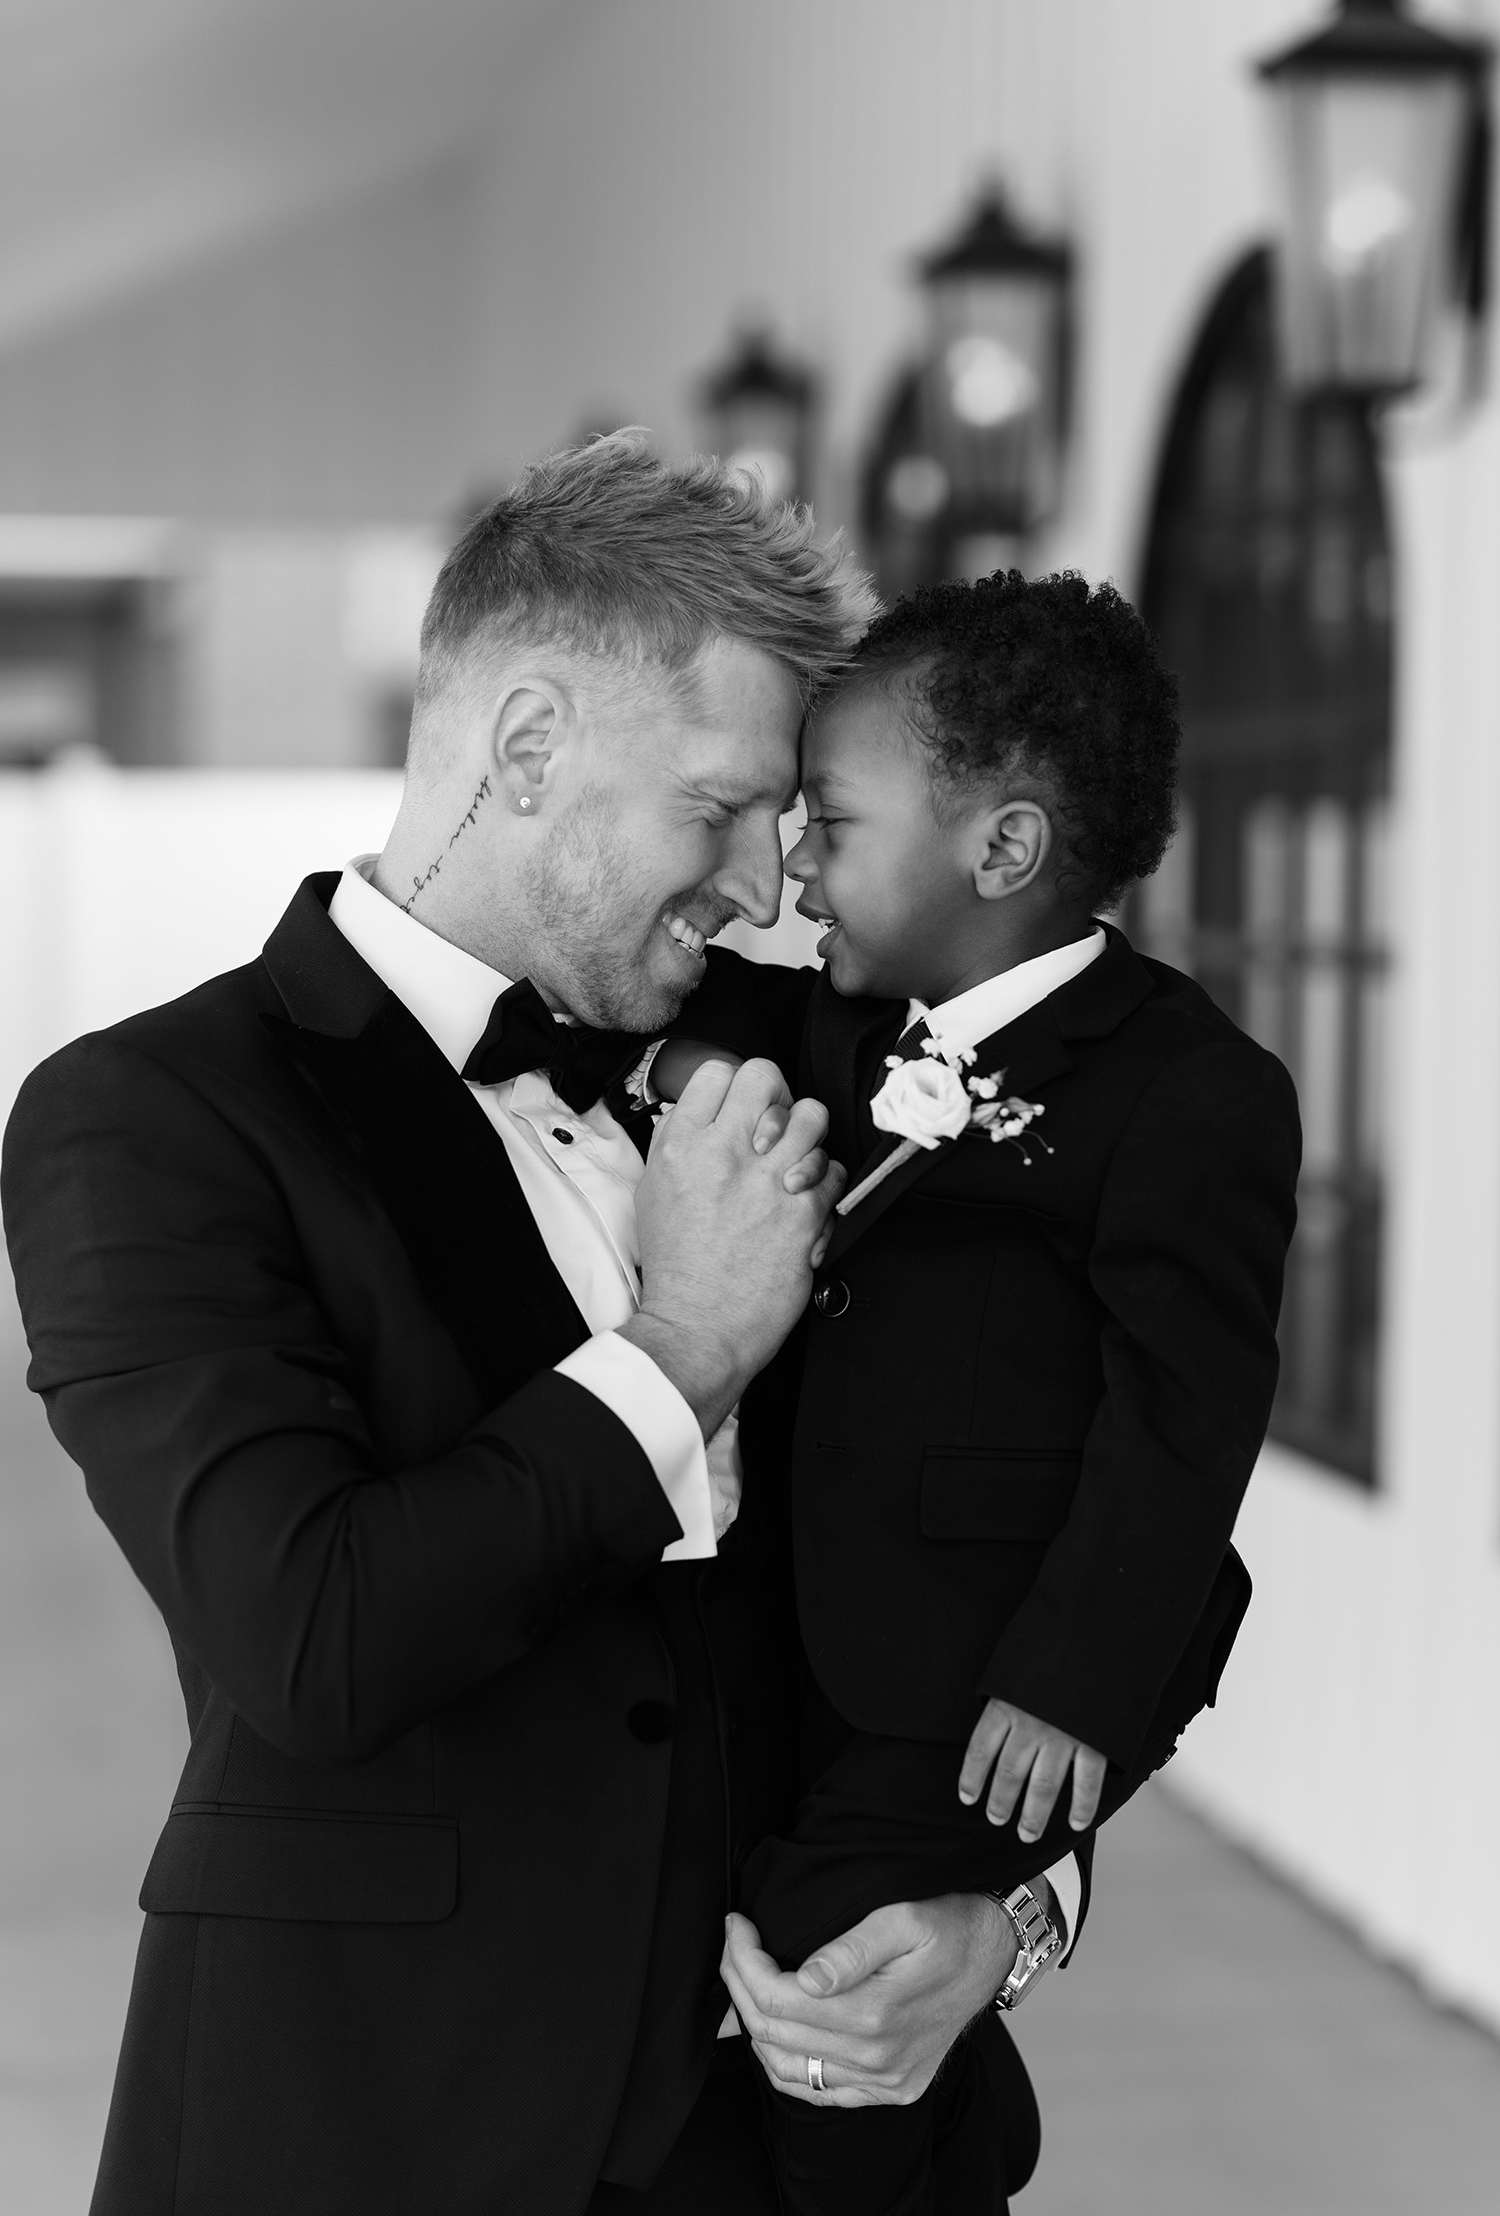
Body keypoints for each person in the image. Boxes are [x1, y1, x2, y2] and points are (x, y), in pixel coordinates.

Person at [2, 440, 1068, 2216]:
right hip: (375, 2124)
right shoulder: (150, 1117)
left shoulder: (845, 1060)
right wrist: (684, 1347)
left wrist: (1015, 1913)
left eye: (789, 826)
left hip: (828, 2156)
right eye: (719, 807)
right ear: (523, 752)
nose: (764, 887)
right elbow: (313, 1633)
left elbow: (1116, 1483)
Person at [658, 570, 1303, 2215]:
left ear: (999, 851)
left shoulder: (1188, 1090)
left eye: (832, 820)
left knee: (832, 1994)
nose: (795, 859)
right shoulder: (835, 1019)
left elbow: (1186, 1414)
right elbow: (647, 1010)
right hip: (788, 1630)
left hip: (973, 1686)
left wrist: (1076, 1679)